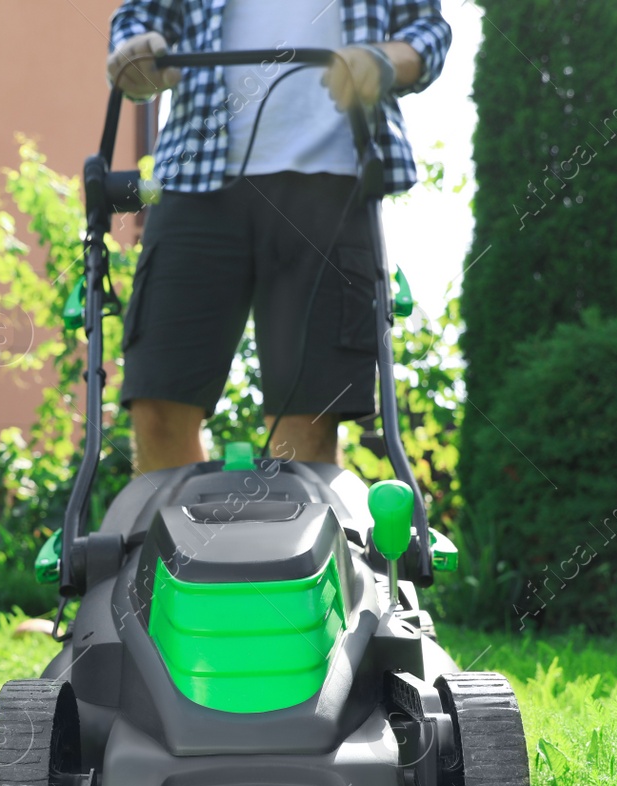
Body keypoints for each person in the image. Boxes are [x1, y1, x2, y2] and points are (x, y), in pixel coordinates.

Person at [105, 0, 450, 472]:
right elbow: (139, 18)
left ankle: (297, 546)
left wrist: (384, 57)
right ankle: (181, 545)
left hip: (334, 181)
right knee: (157, 406)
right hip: (196, 175)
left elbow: (426, 28)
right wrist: (137, 50)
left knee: (308, 418)